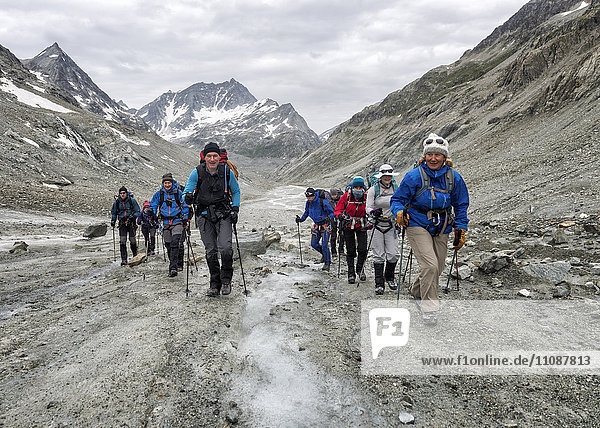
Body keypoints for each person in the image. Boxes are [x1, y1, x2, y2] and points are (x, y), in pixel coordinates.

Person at [391, 133, 469, 326]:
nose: (433, 158)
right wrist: (399, 212)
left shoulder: (454, 178)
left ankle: (416, 289)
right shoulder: (413, 176)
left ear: (445, 157)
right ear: (424, 155)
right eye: (430, 154)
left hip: (443, 225)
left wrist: (461, 228)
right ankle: (430, 309)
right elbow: (397, 200)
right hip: (417, 223)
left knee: (438, 267)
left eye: (438, 155)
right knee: (430, 266)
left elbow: (461, 204)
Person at [183, 142, 241, 297]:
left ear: (219, 157)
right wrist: (187, 197)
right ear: (205, 157)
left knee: (226, 248)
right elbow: (186, 191)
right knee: (211, 251)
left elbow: (235, 191)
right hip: (204, 215)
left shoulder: (226, 172)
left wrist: (235, 208)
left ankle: (226, 280)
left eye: (215, 155)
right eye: (209, 156)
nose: (212, 159)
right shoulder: (197, 172)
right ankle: (214, 284)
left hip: (224, 214)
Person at [366, 164, 400, 295]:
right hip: (376, 225)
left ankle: (389, 277)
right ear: (381, 176)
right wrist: (374, 211)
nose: (387, 177)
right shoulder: (372, 190)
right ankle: (379, 284)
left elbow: (402, 202)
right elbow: (367, 208)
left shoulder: (397, 189)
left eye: (389, 175)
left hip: (391, 225)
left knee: (393, 254)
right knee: (378, 255)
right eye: (385, 175)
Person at [150, 173, 189, 277]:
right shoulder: (159, 194)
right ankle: (175, 263)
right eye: (165, 183)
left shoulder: (179, 193)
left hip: (177, 221)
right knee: (168, 245)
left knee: (175, 242)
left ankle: (173, 268)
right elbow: (153, 205)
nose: (167, 185)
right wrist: (151, 212)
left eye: (169, 183)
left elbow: (185, 206)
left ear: (172, 183)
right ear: (163, 184)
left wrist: (185, 216)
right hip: (165, 223)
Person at [334, 176, 369, 284]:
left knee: (363, 249)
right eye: (356, 187)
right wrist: (339, 215)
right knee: (350, 249)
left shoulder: (366, 196)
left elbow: (371, 207)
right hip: (348, 224)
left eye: (360, 187)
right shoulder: (346, 196)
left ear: (363, 187)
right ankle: (351, 273)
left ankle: (360, 268)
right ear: (352, 187)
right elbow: (338, 209)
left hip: (362, 224)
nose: (358, 189)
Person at [295, 187, 335, 271]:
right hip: (317, 226)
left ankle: (327, 263)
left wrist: (329, 218)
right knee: (313, 244)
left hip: (326, 225)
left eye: (310, 197)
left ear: (314, 195)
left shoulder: (322, 202)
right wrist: (301, 220)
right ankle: (324, 254)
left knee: (324, 245)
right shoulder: (308, 203)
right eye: (307, 197)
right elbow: (306, 212)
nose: (308, 199)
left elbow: (332, 213)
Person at [110, 186, 140, 265]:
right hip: (122, 224)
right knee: (122, 241)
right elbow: (114, 212)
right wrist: (113, 220)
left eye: (124, 193)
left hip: (131, 223)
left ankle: (135, 256)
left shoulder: (132, 201)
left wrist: (133, 217)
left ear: (126, 193)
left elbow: (137, 211)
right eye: (121, 193)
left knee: (132, 240)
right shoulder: (117, 202)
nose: (122, 195)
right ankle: (124, 259)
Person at [329, 188, 344, 257]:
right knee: (333, 235)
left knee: (342, 234)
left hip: (340, 218)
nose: (333, 197)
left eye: (335, 195)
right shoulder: (328, 199)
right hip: (332, 218)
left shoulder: (341, 198)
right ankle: (333, 251)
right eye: (332, 195)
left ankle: (341, 250)